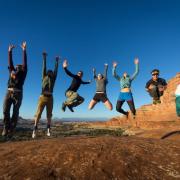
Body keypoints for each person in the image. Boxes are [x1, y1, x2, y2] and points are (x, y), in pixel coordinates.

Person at [2, 42, 27, 137]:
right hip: (8, 92)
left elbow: (25, 63)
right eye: (16, 66)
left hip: (18, 94)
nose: (17, 67)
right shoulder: (12, 71)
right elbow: (10, 63)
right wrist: (9, 51)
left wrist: (24, 50)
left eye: (19, 66)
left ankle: (12, 129)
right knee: (5, 110)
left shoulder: (23, 73)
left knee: (15, 112)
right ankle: (6, 127)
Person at [32, 52, 59, 138]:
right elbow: (44, 68)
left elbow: (56, 70)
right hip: (42, 97)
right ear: (47, 73)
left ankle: (48, 129)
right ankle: (34, 129)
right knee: (38, 113)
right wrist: (44, 58)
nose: (50, 73)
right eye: (49, 72)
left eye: (51, 73)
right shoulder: (44, 77)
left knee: (49, 115)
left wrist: (57, 62)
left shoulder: (53, 79)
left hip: (50, 98)